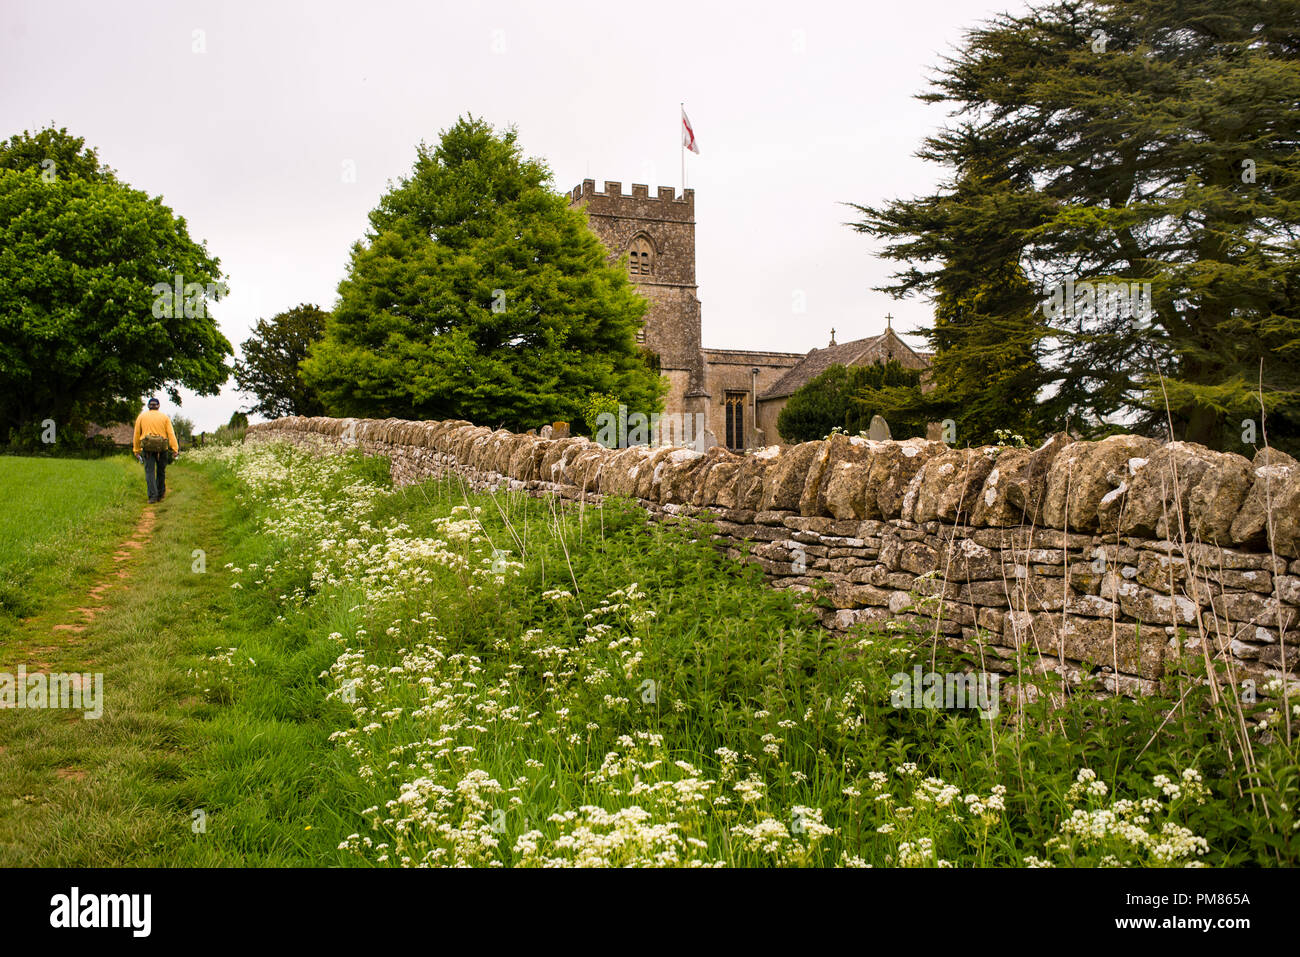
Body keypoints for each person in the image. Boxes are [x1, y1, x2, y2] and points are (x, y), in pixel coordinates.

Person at [132, 397, 180, 504]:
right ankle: (160, 494)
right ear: (158, 406)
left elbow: (136, 434)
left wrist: (136, 449)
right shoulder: (164, 417)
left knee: (149, 472)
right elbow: (171, 434)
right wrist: (175, 449)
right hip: (161, 448)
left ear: (149, 406)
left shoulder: (141, 417)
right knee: (161, 471)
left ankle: (152, 497)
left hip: (147, 448)